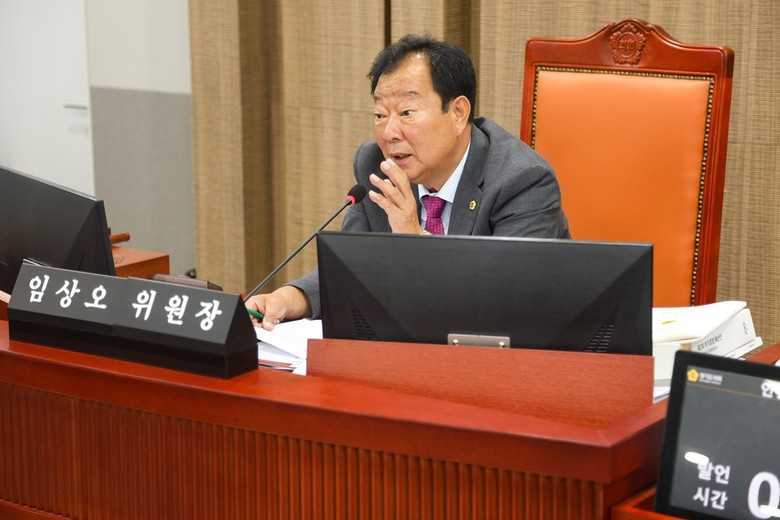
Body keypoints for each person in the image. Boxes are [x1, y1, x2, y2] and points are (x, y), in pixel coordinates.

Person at [247, 34, 570, 330]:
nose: (389, 133)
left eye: (406, 113)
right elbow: (352, 267)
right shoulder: (376, 165)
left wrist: (415, 240)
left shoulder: (522, 181)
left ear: (458, 112)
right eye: (380, 115)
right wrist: (288, 299)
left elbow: (504, 302)